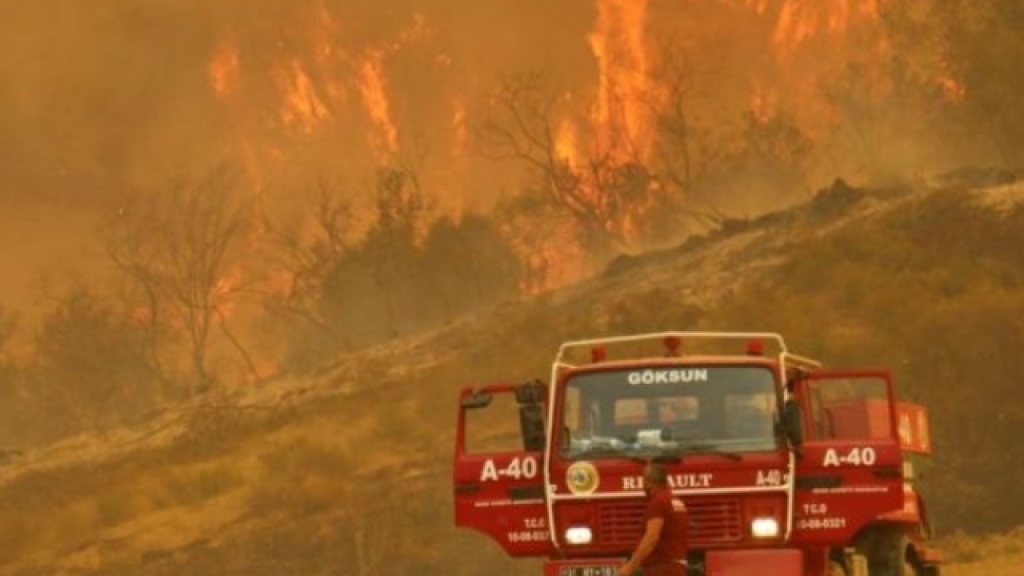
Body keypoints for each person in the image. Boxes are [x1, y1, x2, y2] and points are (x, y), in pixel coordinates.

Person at [618, 462, 689, 576]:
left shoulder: (657, 502)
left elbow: (651, 538)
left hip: (662, 569)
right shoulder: (675, 501)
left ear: (648, 482)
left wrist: (630, 567)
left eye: (643, 480)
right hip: (678, 566)